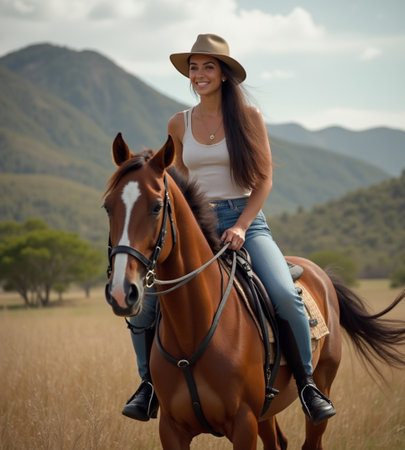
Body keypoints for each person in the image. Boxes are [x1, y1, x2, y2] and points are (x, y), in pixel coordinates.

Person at [122, 33, 336, 425]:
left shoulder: (248, 119)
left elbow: (264, 181)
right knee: (146, 304)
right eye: (194, 67)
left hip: (247, 223)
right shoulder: (178, 123)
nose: (199, 74)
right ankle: (148, 385)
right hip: (198, 225)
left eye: (208, 67)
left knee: (286, 296)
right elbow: (179, 185)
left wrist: (240, 226)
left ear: (223, 75)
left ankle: (306, 383)